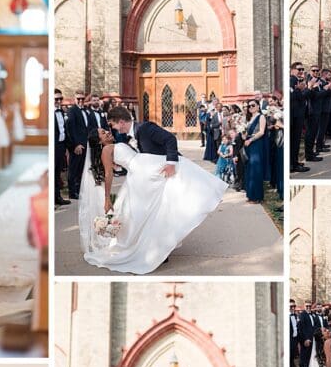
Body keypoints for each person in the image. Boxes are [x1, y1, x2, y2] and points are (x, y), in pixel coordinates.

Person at [79, 110, 225, 273]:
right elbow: (108, 174)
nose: (108, 131)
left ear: (121, 122)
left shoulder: (136, 133)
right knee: (148, 210)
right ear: (98, 141)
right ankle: (205, 194)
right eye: (103, 132)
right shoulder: (107, 150)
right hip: (141, 173)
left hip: (143, 169)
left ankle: (203, 195)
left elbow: (162, 143)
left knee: (161, 200)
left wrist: (170, 161)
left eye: (108, 128)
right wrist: (107, 198)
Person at [244, 99, 267, 202]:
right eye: (249, 106)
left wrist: (251, 139)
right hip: (248, 144)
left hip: (256, 144)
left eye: (253, 105)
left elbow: (262, 132)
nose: (251, 107)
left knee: (256, 169)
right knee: (250, 170)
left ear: (258, 106)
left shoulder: (261, 117)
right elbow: (246, 132)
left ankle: (257, 196)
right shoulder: (249, 118)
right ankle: (250, 195)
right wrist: (244, 135)